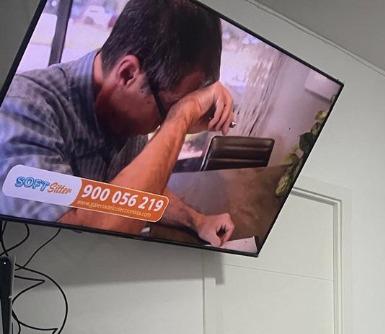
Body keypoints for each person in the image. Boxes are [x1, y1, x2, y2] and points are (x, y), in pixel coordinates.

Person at [0, 0, 237, 246]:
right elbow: (75, 240)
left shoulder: (127, 110)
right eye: (168, 109)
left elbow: (132, 192)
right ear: (128, 74)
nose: (161, 124)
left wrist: (197, 221)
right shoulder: (24, 109)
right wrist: (180, 118)